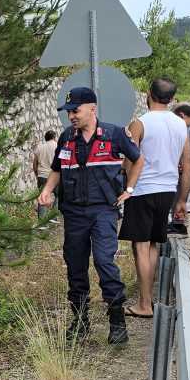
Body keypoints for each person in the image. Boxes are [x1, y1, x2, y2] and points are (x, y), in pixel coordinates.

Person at [37, 87, 144, 343]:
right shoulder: (66, 138)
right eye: (68, 112)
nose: (71, 116)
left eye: (75, 110)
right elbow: (57, 170)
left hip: (103, 211)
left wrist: (129, 189)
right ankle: (80, 320)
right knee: (75, 266)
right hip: (73, 213)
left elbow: (137, 159)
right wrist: (46, 191)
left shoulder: (114, 134)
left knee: (105, 263)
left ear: (91, 108)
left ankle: (117, 322)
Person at [121, 78, 190, 319]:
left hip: (142, 191)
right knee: (152, 244)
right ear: (173, 99)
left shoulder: (139, 123)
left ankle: (145, 303)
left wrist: (125, 181)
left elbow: (129, 161)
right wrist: (182, 200)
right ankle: (148, 298)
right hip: (167, 191)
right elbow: (188, 163)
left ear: (148, 94)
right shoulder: (181, 124)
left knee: (140, 246)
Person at [33, 130, 59, 223]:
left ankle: (41, 222)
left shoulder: (39, 148)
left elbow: (35, 164)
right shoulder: (57, 147)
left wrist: (37, 174)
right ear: (54, 137)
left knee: (42, 197)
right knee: (59, 195)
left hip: (42, 175)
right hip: (55, 176)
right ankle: (53, 217)